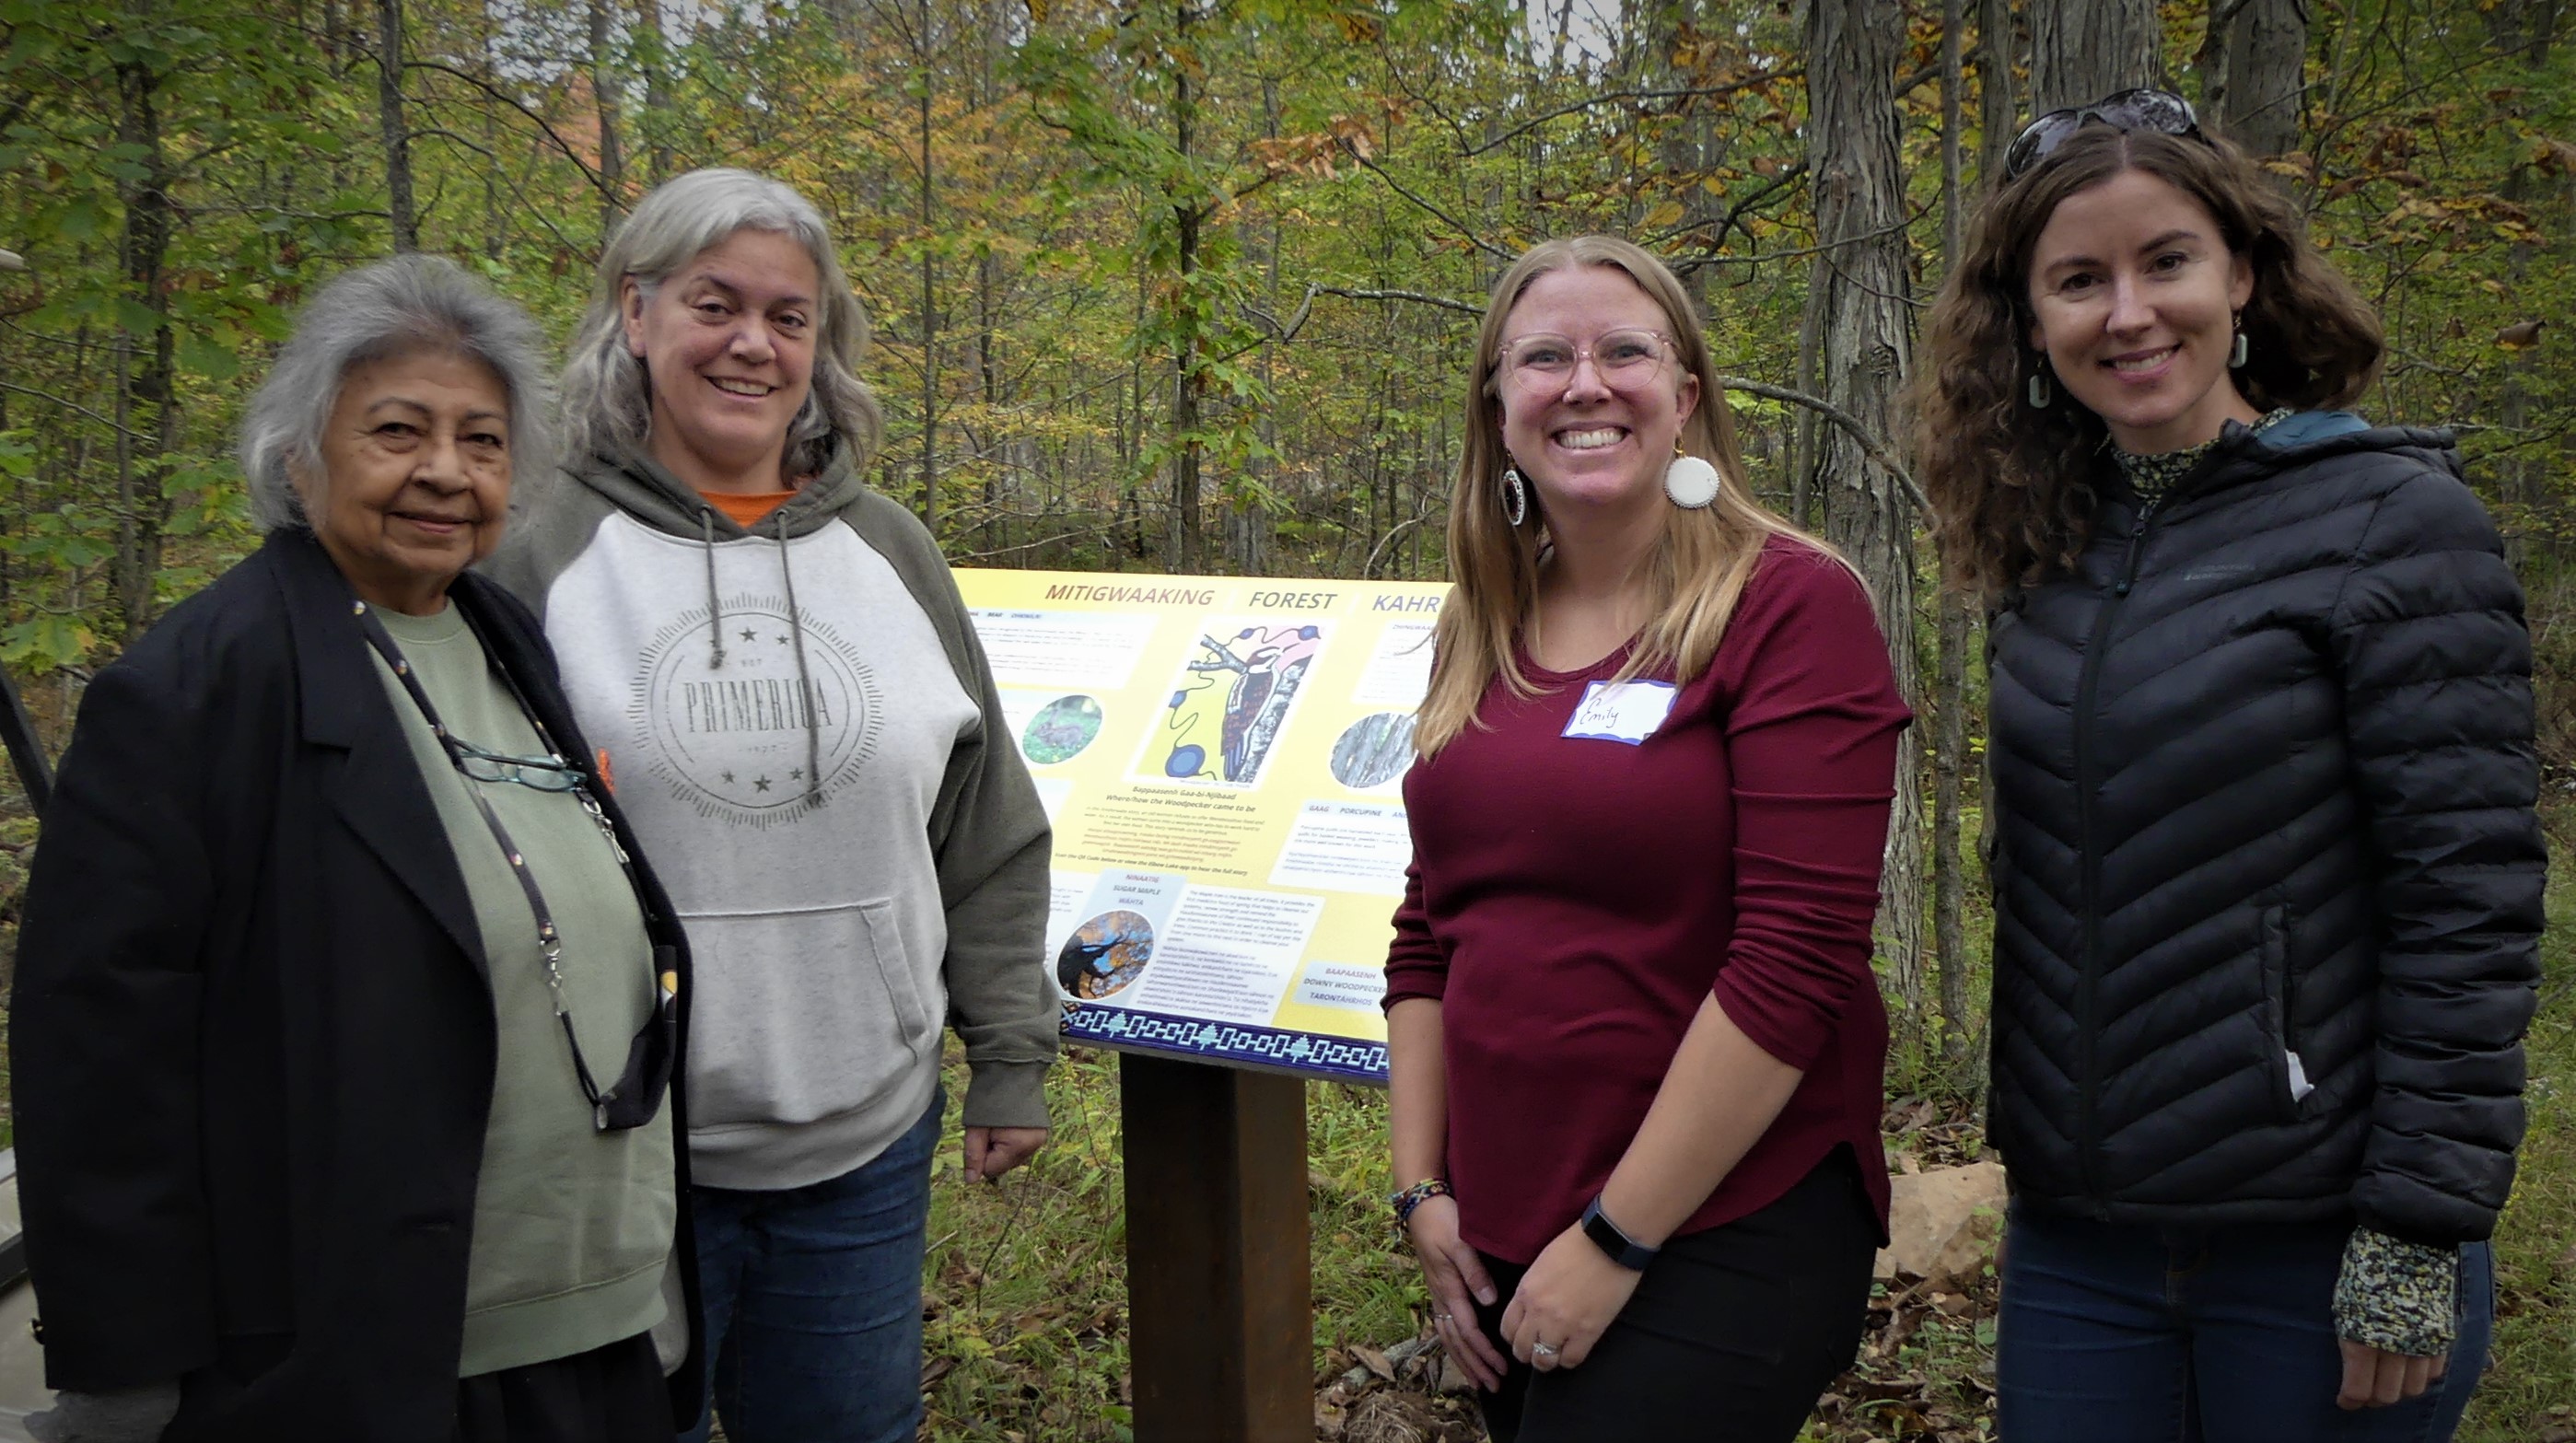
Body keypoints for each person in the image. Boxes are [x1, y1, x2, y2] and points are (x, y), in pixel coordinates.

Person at [1915, 90, 2545, 1437]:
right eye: (2077, 280)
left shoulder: (2391, 521)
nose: (2127, 312)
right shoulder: (2049, 549)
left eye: (2166, 262)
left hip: (2316, 1238)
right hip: (2080, 1243)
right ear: (2029, 323)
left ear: (2242, 275)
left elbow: (2467, 902)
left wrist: (2414, 1231)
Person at [11, 254, 699, 1442]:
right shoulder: (194, 693)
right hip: (373, 1354)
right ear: (299, 452)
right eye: (396, 430)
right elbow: (100, 1053)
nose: (446, 471)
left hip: (599, 1325)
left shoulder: (504, 639)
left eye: (483, 442)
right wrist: (123, 1362)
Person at [484, 167, 1055, 1443]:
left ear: (821, 343)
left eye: (787, 317)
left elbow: (987, 823)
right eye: (714, 304)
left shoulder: (891, 550)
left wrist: (1009, 1054)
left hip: (861, 1146)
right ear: (636, 315)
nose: (752, 343)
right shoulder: (531, 547)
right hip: (615, 1155)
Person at [1381, 236, 1910, 1443]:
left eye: (1624, 352)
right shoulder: (1483, 621)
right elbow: (1428, 930)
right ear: (1496, 405)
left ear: (1683, 399)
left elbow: (1797, 957)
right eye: (1542, 358)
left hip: (1720, 1220)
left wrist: (1616, 1236)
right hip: (1503, 1217)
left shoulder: (1787, 604)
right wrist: (1422, 1190)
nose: (1583, 383)